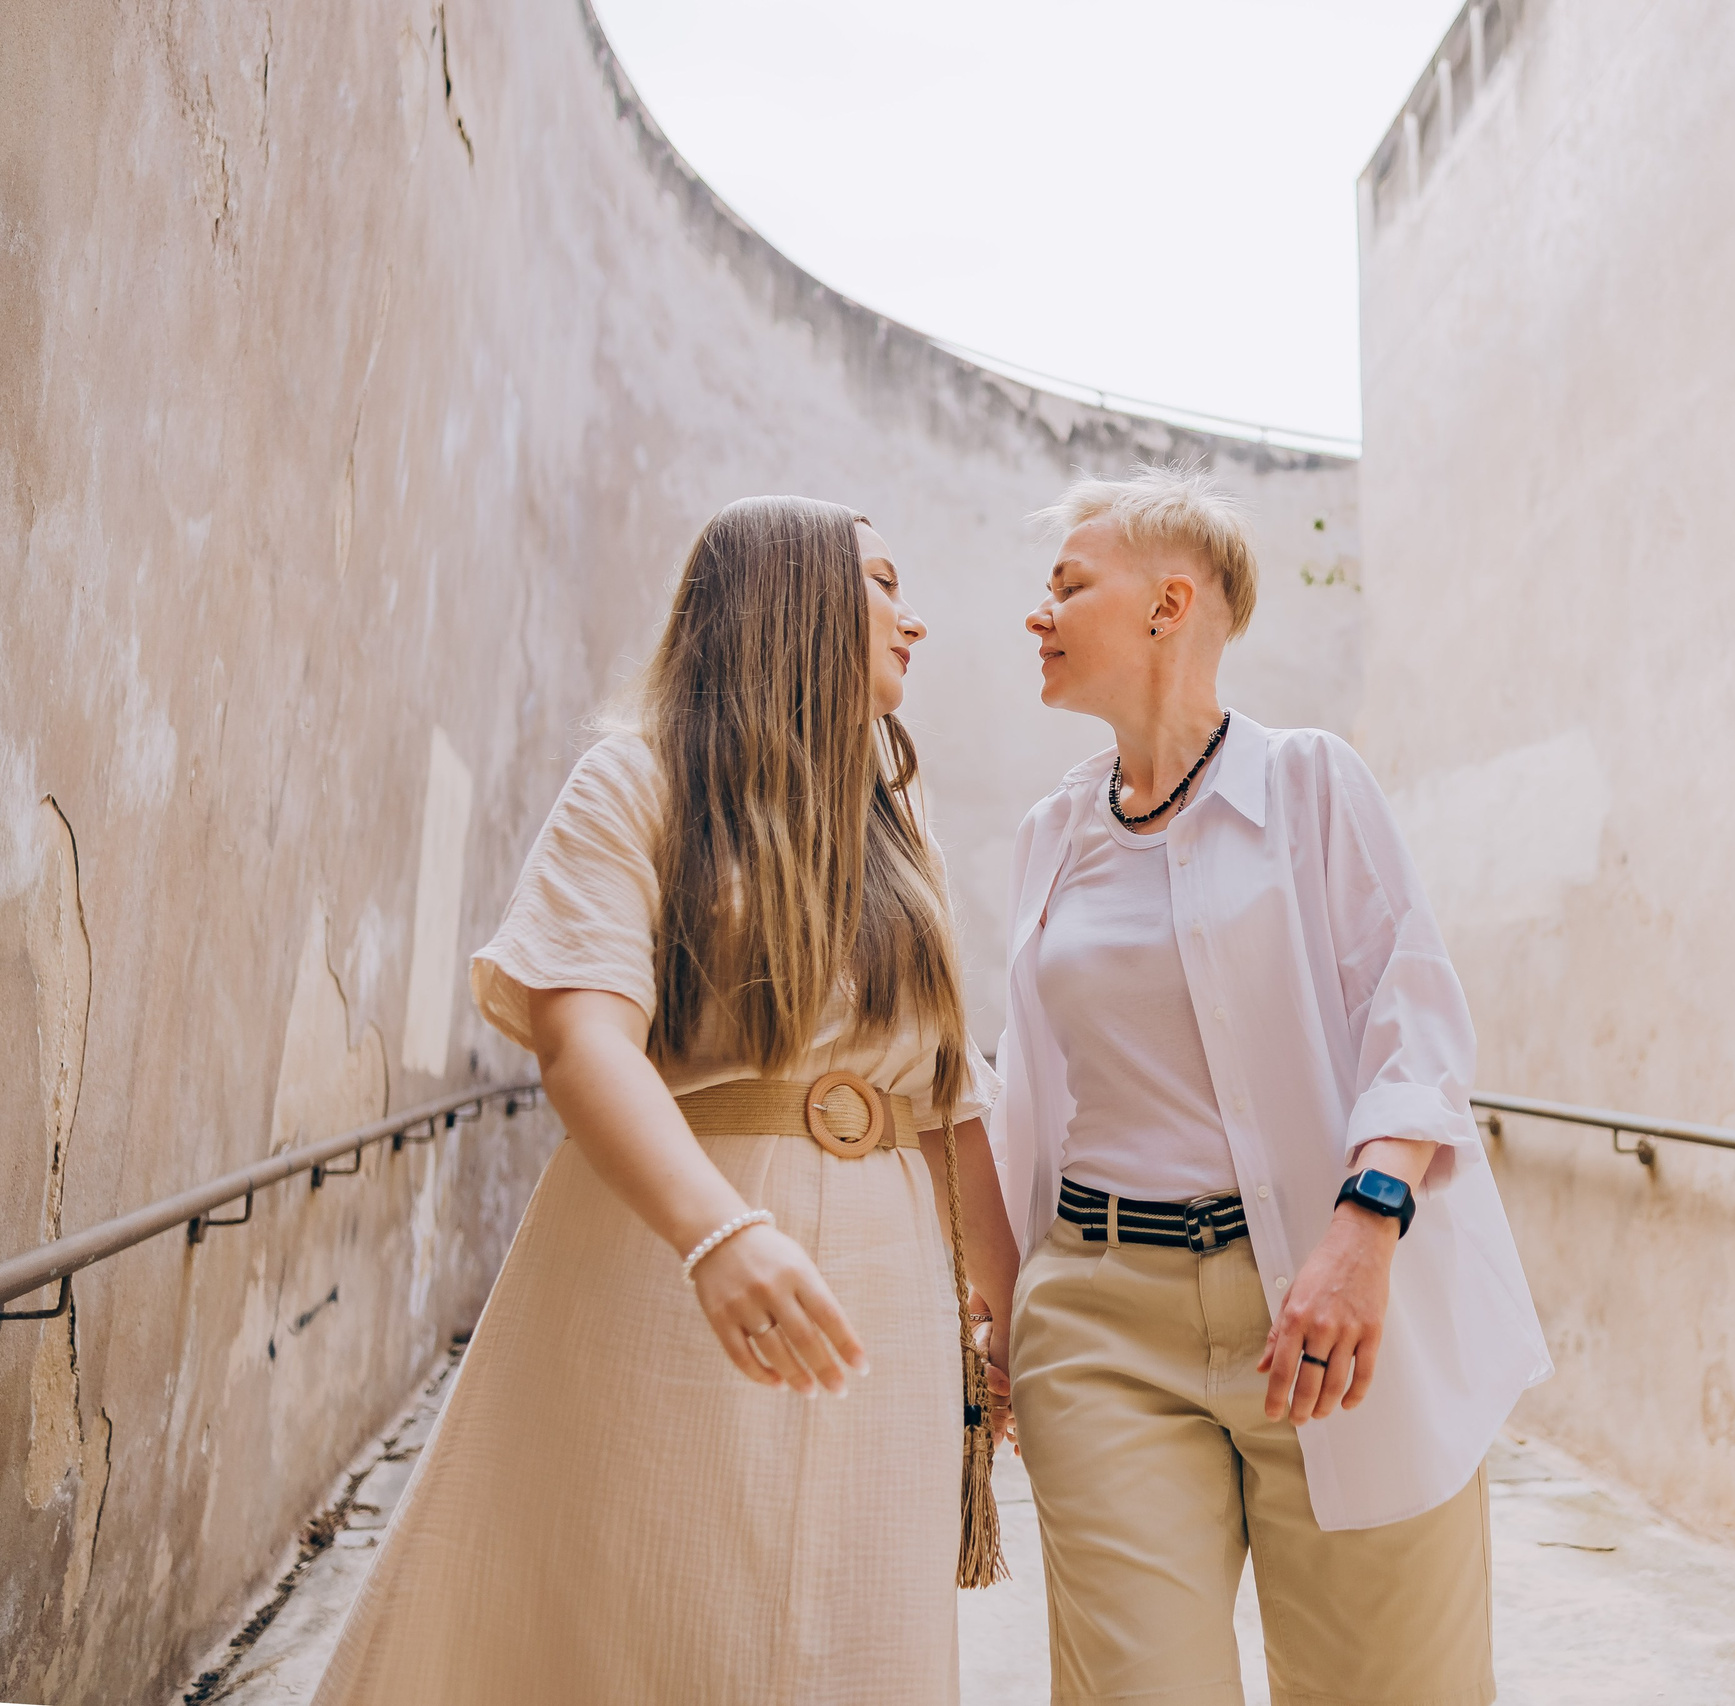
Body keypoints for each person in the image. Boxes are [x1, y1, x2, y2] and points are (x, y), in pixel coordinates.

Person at [316, 498, 1014, 1706]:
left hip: (891, 1292)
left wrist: (1005, 1314)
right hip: (670, 1254)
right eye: (885, 583)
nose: (916, 619)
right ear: (790, 599)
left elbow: (949, 1086)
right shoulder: (632, 781)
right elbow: (581, 1036)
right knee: (644, 1604)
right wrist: (718, 1232)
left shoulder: (902, 831)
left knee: (856, 1623)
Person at [991, 465, 1551, 1706]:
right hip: (1100, 1321)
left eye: (1067, 584)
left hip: (1330, 1306)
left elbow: (1414, 1014)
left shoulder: (1308, 782)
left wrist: (1367, 1224)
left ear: (1167, 604)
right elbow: (1019, 1086)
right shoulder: (1050, 835)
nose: (1038, 613)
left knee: (1391, 1687)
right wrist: (1003, 1302)